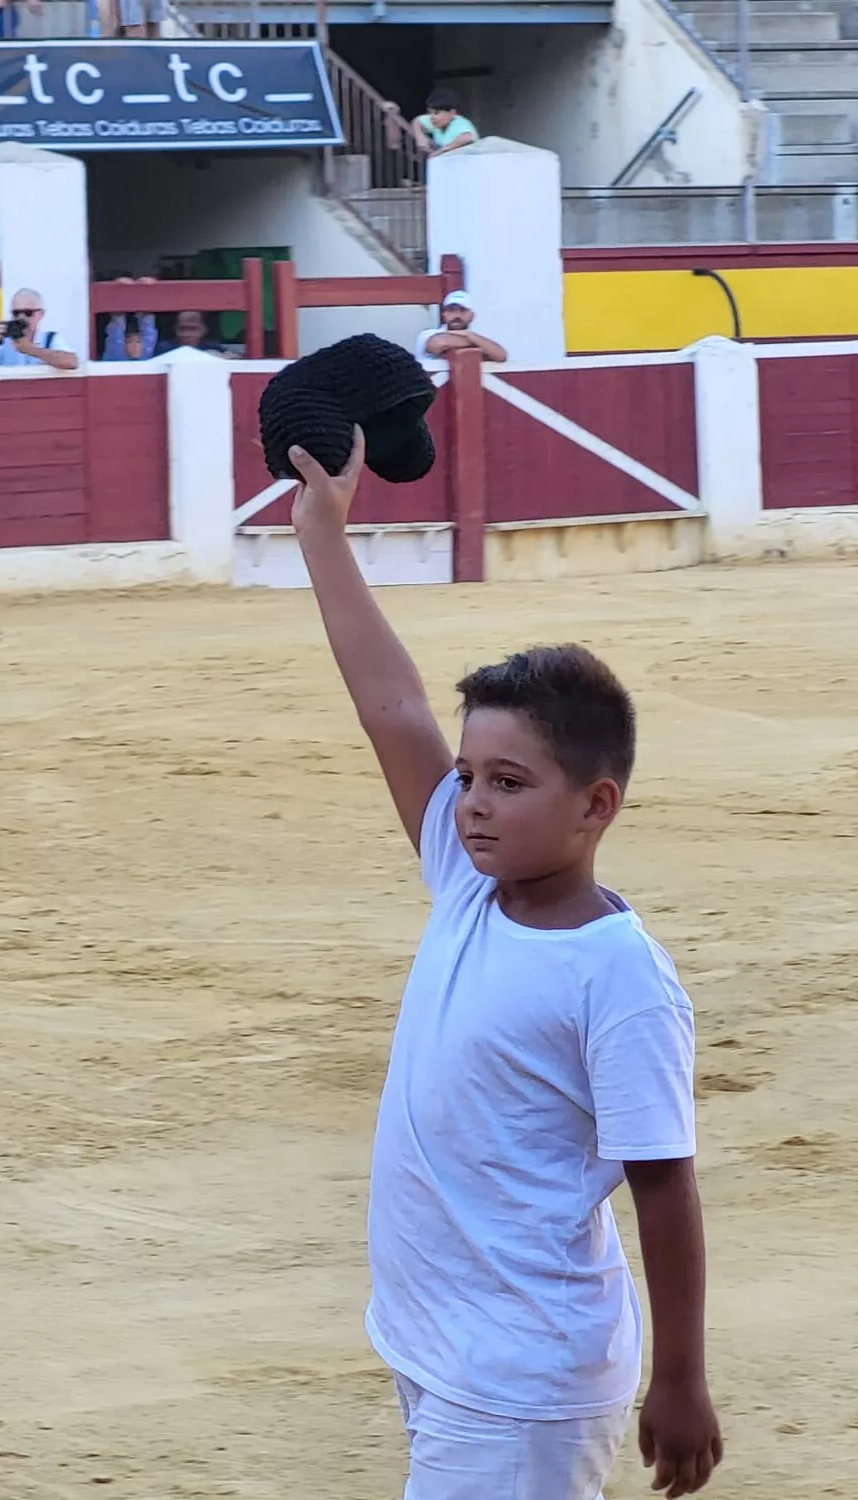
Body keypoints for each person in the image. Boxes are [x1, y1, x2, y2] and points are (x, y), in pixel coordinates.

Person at [286, 426, 722, 1500]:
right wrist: (320, 537)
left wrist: (680, 1379)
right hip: (441, 1340)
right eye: (469, 776)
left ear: (594, 805)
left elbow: (663, 1186)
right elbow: (388, 704)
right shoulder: (468, 882)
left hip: (522, 1371)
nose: (472, 803)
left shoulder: (616, 976)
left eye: (508, 783)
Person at [0, 287, 78, 371]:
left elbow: (72, 362)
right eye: (16, 313)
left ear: (40, 315)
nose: (21, 318)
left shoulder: (49, 339)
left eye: (28, 313)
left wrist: (31, 350)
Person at [413, 289, 507, 362]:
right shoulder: (427, 335)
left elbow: (501, 355)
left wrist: (470, 335)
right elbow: (438, 344)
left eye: (463, 310)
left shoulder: (473, 337)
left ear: (472, 315)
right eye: (451, 310)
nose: (457, 315)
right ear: (443, 314)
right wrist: (475, 341)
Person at [408, 87, 479, 156]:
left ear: (452, 113)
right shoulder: (434, 121)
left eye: (437, 113)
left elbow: (467, 137)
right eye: (429, 112)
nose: (432, 117)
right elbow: (417, 121)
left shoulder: (460, 123)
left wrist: (441, 151)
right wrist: (420, 137)